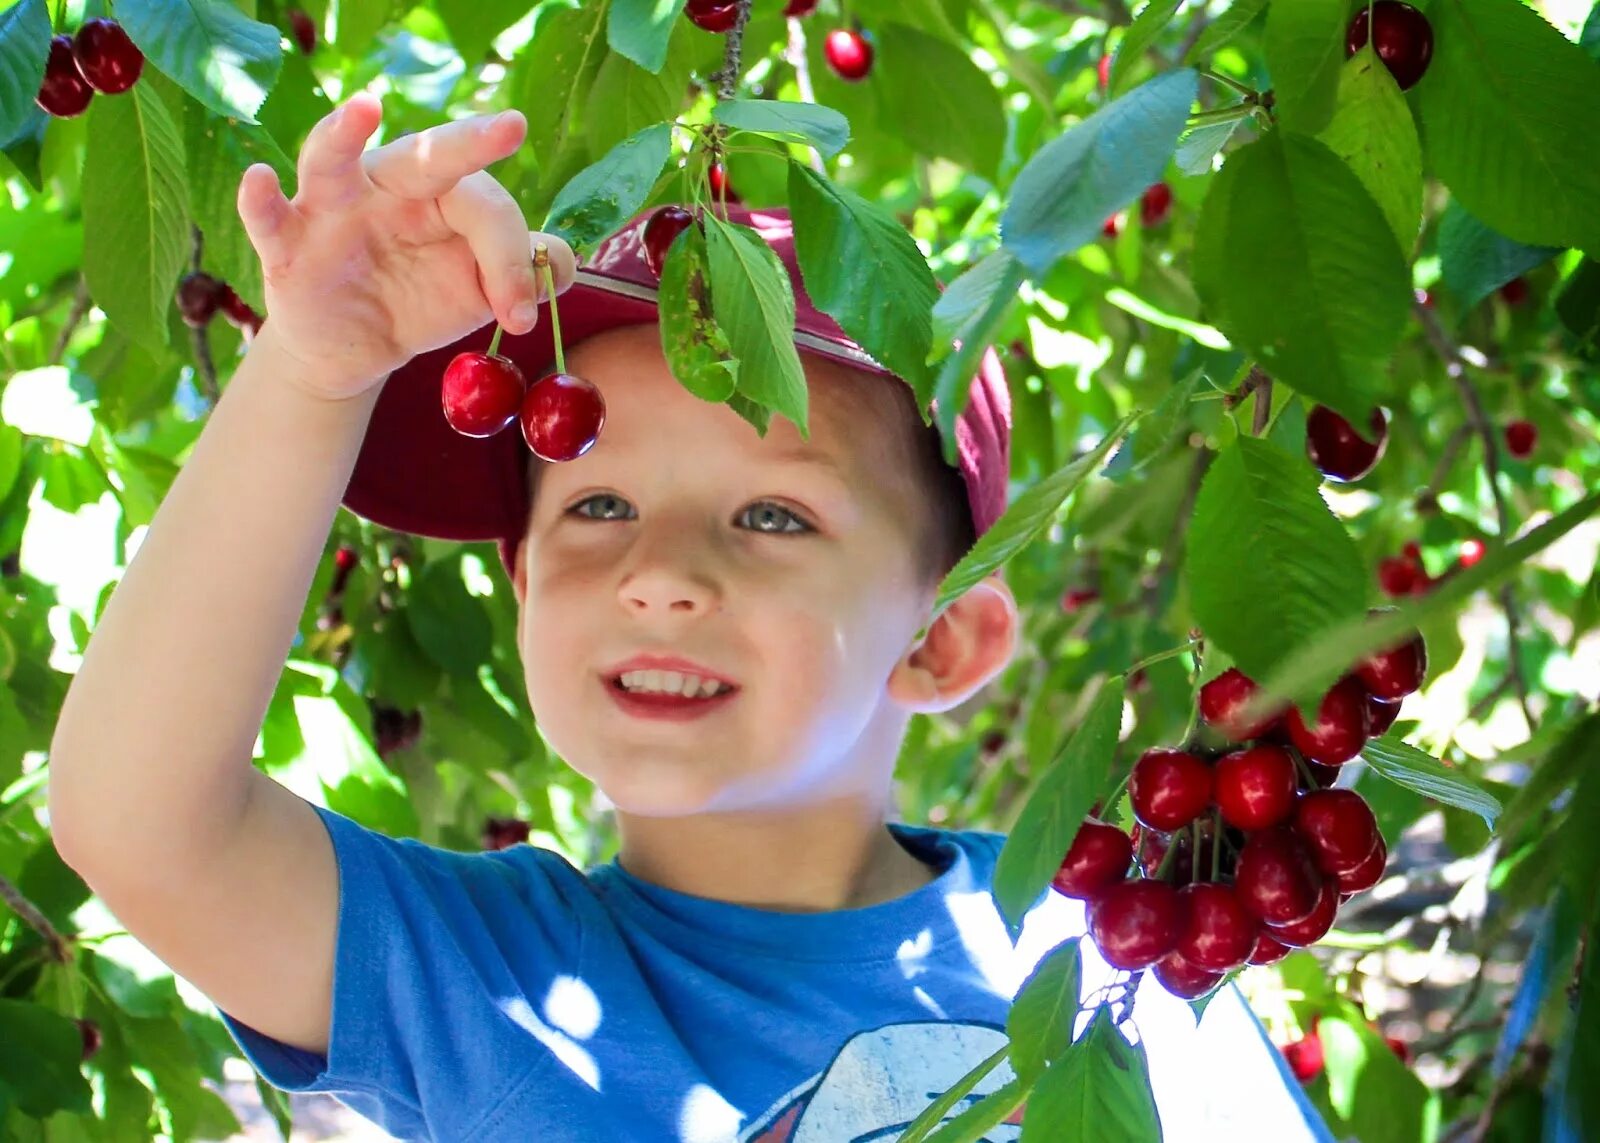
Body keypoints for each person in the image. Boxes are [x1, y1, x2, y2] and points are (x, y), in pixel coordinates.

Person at [48, 93, 1335, 1141]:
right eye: (596, 506)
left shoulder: (1119, 956)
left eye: (774, 516)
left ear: (942, 640)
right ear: (524, 590)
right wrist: (311, 371)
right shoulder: (484, 978)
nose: (657, 574)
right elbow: (140, 822)